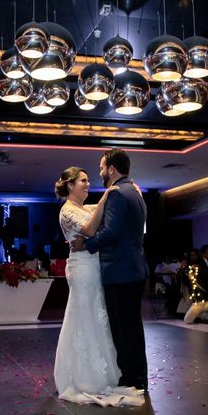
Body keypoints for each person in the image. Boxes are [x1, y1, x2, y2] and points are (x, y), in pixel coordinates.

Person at [71, 148, 149, 394]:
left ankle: (131, 379)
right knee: (133, 328)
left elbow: (112, 232)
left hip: (120, 271)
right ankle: (139, 377)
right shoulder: (135, 192)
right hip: (135, 269)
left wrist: (86, 245)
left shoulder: (116, 193)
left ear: (112, 169)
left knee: (123, 329)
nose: (100, 171)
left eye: (102, 167)